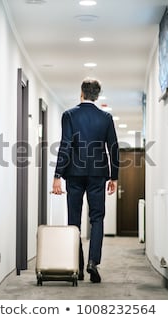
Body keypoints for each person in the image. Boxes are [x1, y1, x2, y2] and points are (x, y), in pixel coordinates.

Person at [52, 78, 119, 283]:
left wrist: (57, 176)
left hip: (74, 173)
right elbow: (114, 148)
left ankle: (78, 266)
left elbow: (65, 145)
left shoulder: (69, 115)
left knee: (74, 220)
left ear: (81, 93)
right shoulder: (106, 118)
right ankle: (93, 262)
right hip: (98, 174)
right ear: (97, 96)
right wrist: (114, 177)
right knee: (97, 218)